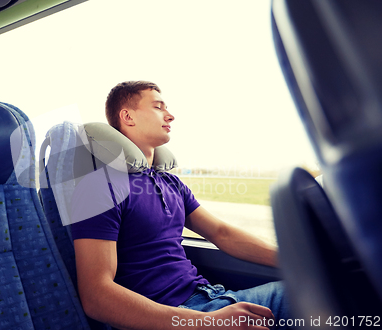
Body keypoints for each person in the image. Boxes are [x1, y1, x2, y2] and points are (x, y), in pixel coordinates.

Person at [71, 81, 291, 330]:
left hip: (211, 298)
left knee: (323, 286)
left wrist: (294, 260)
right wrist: (208, 323)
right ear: (127, 116)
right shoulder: (100, 186)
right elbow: (96, 296)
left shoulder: (171, 183)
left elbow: (222, 233)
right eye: (158, 107)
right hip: (175, 315)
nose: (170, 115)